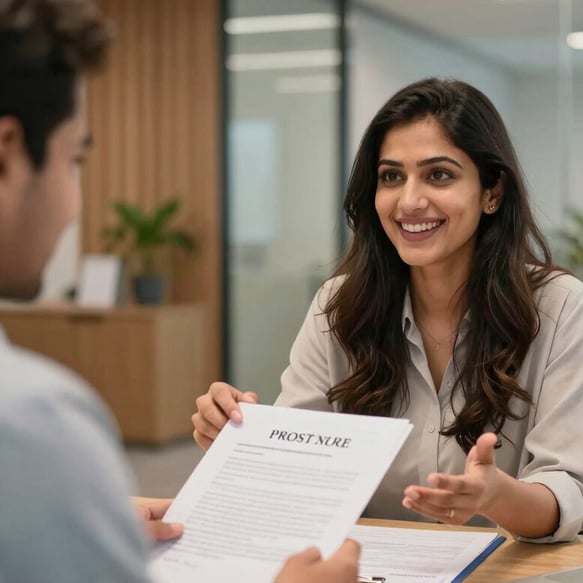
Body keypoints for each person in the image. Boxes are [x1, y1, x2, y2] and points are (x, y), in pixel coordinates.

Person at [0, 1, 358, 581]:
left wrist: (84, 519)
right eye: (74, 161)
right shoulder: (32, 423)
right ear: (9, 151)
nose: (73, 206)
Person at [192, 77, 583, 542]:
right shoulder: (339, 303)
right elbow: (295, 471)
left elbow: (567, 495)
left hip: (498, 568)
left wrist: (494, 495)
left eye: (439, 175)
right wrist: (241, 441)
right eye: (391, 176)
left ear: (493, 192)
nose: (409, 201)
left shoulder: (557, 305)